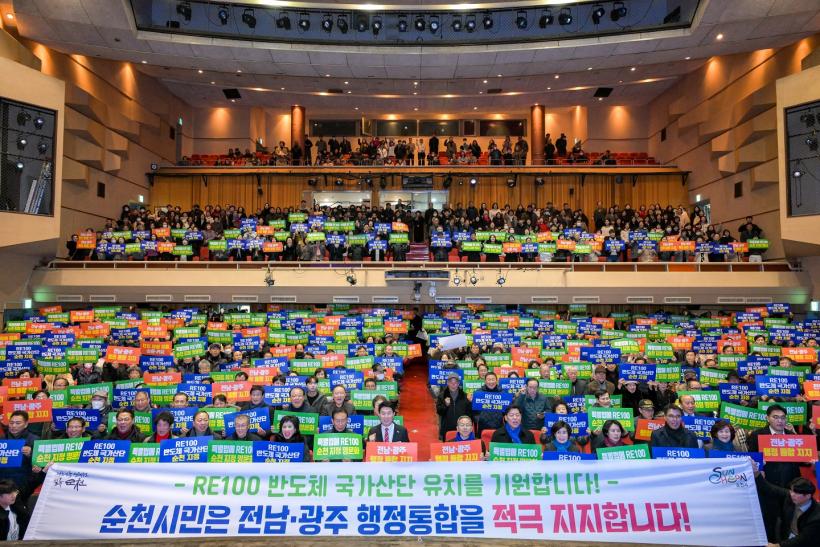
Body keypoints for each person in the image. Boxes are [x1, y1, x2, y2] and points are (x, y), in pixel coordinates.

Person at [754, 468, 819, 547]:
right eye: (791, 490)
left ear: (808, 496)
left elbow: (803, 539)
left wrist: (778, 545)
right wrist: (756, 473)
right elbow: (769, 488)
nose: (792, 494)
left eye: (796, 493)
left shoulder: (816, 516)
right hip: (786, 537)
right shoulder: (791, 496)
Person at [748, 405, 801, 487]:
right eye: (775, 417)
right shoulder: (757, 435)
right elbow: (752, 457)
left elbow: (799, 460)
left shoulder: (792, 436)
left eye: (783, 418)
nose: (780, 421)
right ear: (767, 418)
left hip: (790, 482)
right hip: (767, 481)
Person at [0, 411, 38, 500]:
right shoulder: (2, 439)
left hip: (23, 483)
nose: (13, 426)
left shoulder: (34, 439)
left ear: (26, 424)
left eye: (18, 423)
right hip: (2, 482)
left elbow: (40, 464)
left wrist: (31, 454)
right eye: (11, 423)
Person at [436, 372, 471, 441]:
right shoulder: (442, 396)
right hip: (447, 429)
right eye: (451, 382)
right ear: (447, 383)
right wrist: (445, 405)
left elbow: (469, 413)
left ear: (458, 383)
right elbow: (439, 411)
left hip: (462, 430)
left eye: (455, 382)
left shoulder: (465, 396)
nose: (453, 385)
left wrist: (470, 403)